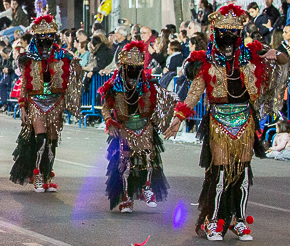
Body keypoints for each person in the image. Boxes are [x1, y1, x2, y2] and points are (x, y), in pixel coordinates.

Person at [165, 4, 289, 241]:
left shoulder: (251, 54)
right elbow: (193, 94)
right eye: (225, 36)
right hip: (219, 120)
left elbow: (283, 59)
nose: (229, 43)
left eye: (234, 36)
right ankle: (213, 221)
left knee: (241, 172)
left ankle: (239, 220)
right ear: (216, 35)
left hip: (244, 120)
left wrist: (274, 54)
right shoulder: (207, 62)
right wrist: (179, 118)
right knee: (220, 172)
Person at [10, 15, 84, 193]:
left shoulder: (63, 55)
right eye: (42, 35)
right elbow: (24, 83)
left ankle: (47, 176)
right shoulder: (27, 57)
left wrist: (77, 68)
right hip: (35, 101)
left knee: (51, 142)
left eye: (49, 35)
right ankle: (37, 176)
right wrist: (22, 106)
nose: (46, 39)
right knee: (41, 140)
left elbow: (75, 77)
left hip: (55, 102)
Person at [99, 41, 174, 213]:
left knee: (148, 158)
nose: (134, 72)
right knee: (125, 163)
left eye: (137, 68)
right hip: (125, 127)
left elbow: (157, 105)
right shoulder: (114, 86)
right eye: (130, 68)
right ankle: (126, 196)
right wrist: (110, 121)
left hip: (144, 126)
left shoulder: (148, 84)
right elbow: (106, 106)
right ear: (124, 68)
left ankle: (147, 187)